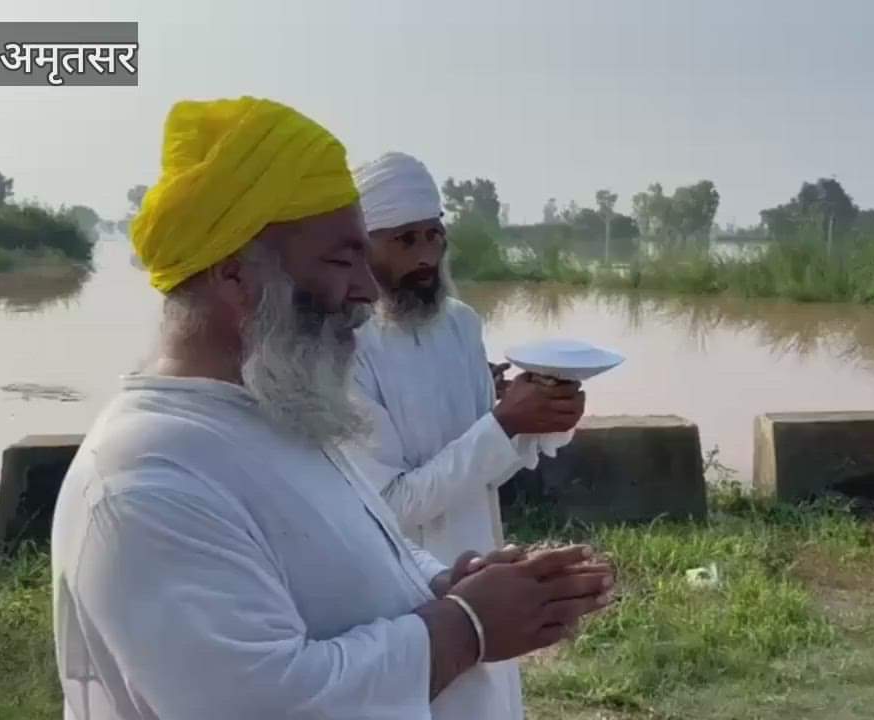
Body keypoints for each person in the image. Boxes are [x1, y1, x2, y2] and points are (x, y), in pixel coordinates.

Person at [50, 97, 613, 720]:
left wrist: (445, 583)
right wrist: (467, 625)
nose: (368, 292)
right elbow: (268, 704)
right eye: (344, 259)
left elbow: (363, 555)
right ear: (236, 277)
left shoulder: (277, 414)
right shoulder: (144, 483)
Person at [346, 152, 585, 719]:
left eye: (435, 235)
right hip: (404, 594)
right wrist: (504, 424)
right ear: (362, 245)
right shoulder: (343, 346)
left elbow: (483, 471)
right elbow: (386, 509)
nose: (427, 256)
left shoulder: (460, 324)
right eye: (405, 240)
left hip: (483, 565)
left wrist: (538, 419)